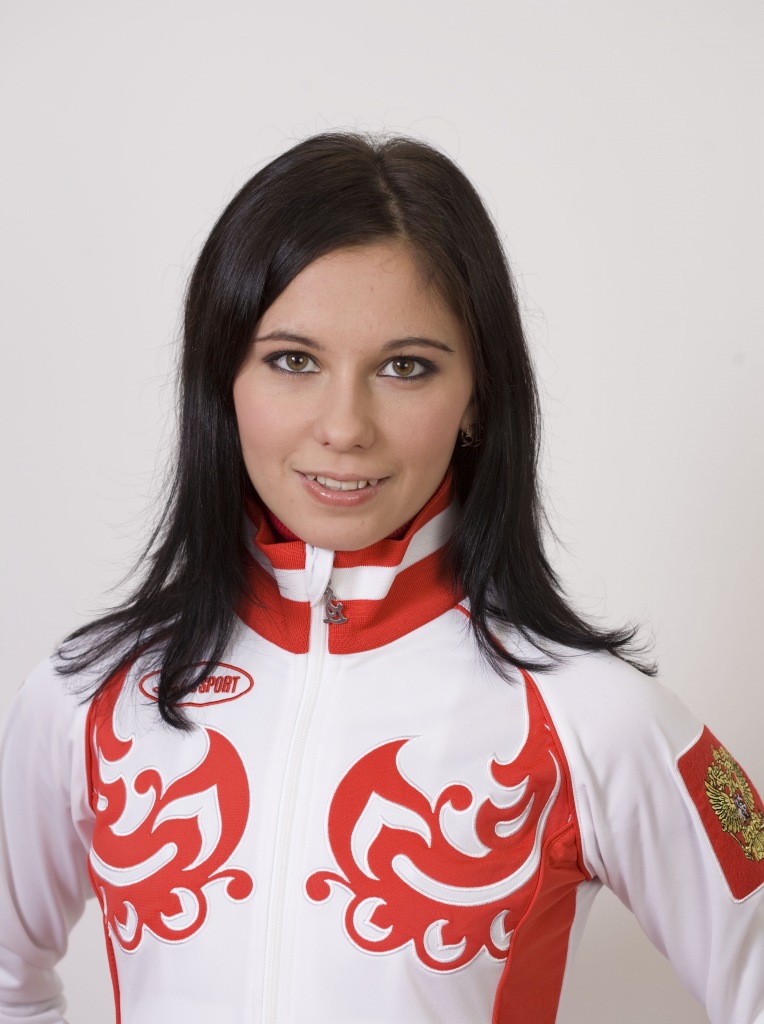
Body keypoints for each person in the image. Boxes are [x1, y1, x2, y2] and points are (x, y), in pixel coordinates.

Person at [0, 132, 762, 1024]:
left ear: (478, 395)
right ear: (222, 378)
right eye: (293, 360)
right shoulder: (87, 695)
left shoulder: (595, 719)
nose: (344, 426)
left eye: (406, 367)